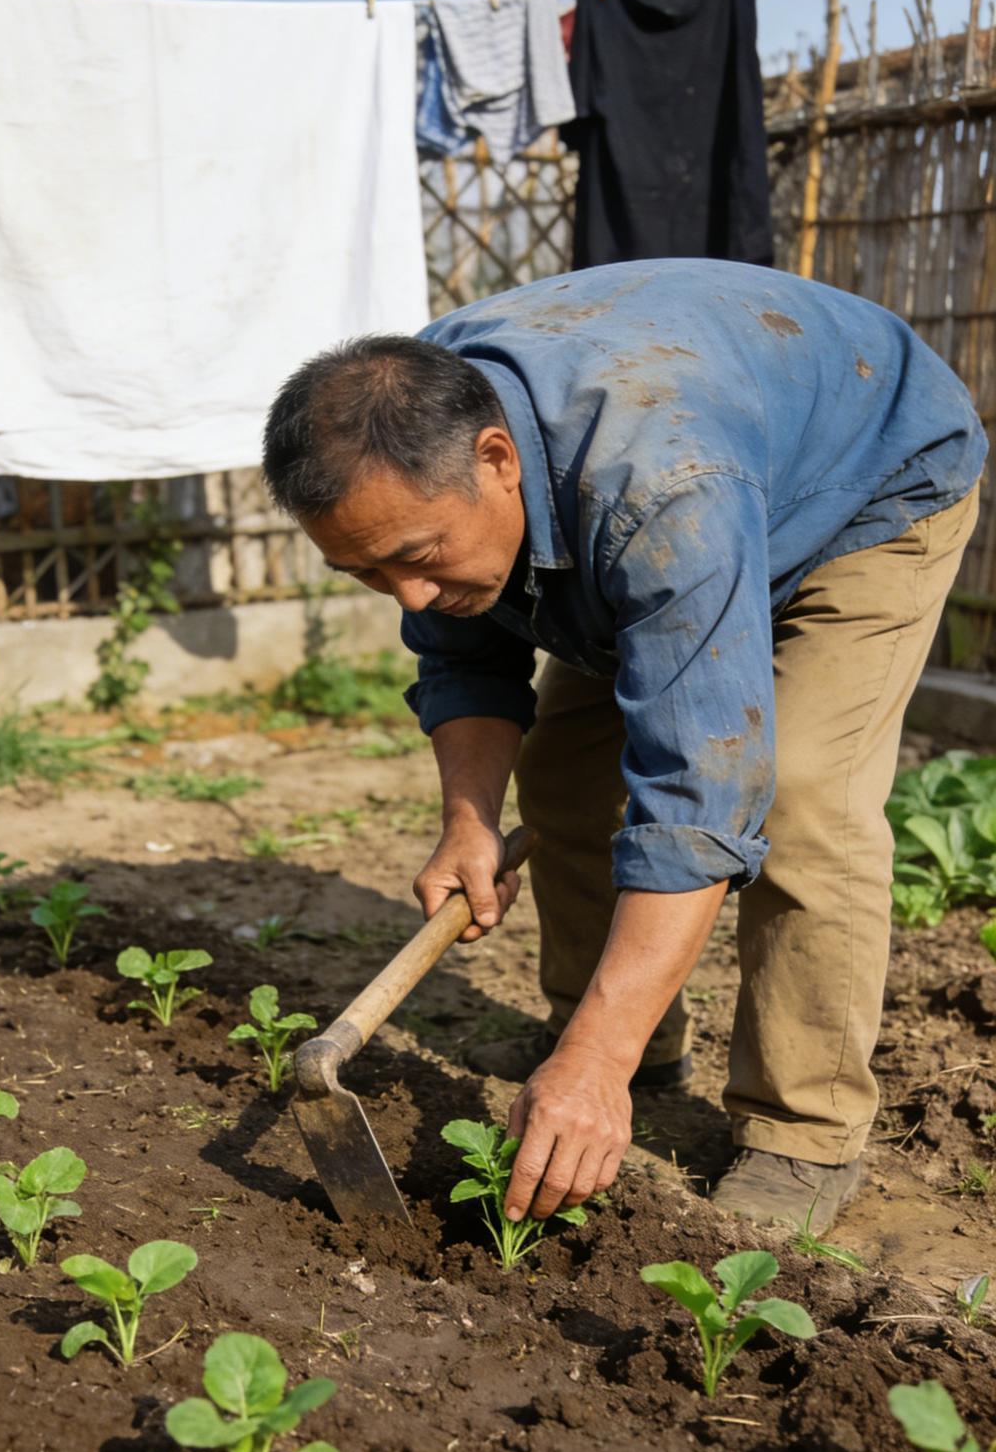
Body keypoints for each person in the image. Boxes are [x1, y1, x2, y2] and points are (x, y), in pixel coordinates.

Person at [260, 260, 986, 1234]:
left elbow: (697, 791)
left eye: (418, 557)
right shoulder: (420, 456)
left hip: (866, 484)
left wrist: (590, 1060)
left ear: (495, 459)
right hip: (687, 479)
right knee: (561, 772)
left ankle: (799, 1129)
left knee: (803, 792)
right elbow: (463, 655)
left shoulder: (655, 487)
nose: (405, 595)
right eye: (362, 571)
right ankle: (614, 1042)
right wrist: (466, 820)